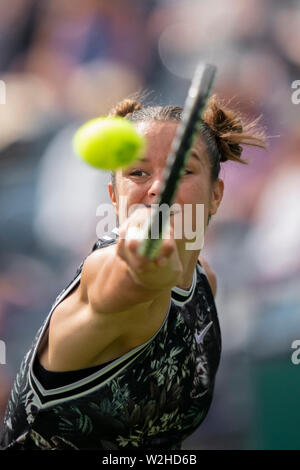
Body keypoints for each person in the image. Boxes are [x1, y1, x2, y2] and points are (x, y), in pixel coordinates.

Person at [0, 95, 265, 450]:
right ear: (114, 196)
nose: (158, 187)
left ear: (216, 195)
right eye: (138, 173)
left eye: (181, 171)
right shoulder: (105, 271)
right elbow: (131, 275)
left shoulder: (204, 283)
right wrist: (143, 254)